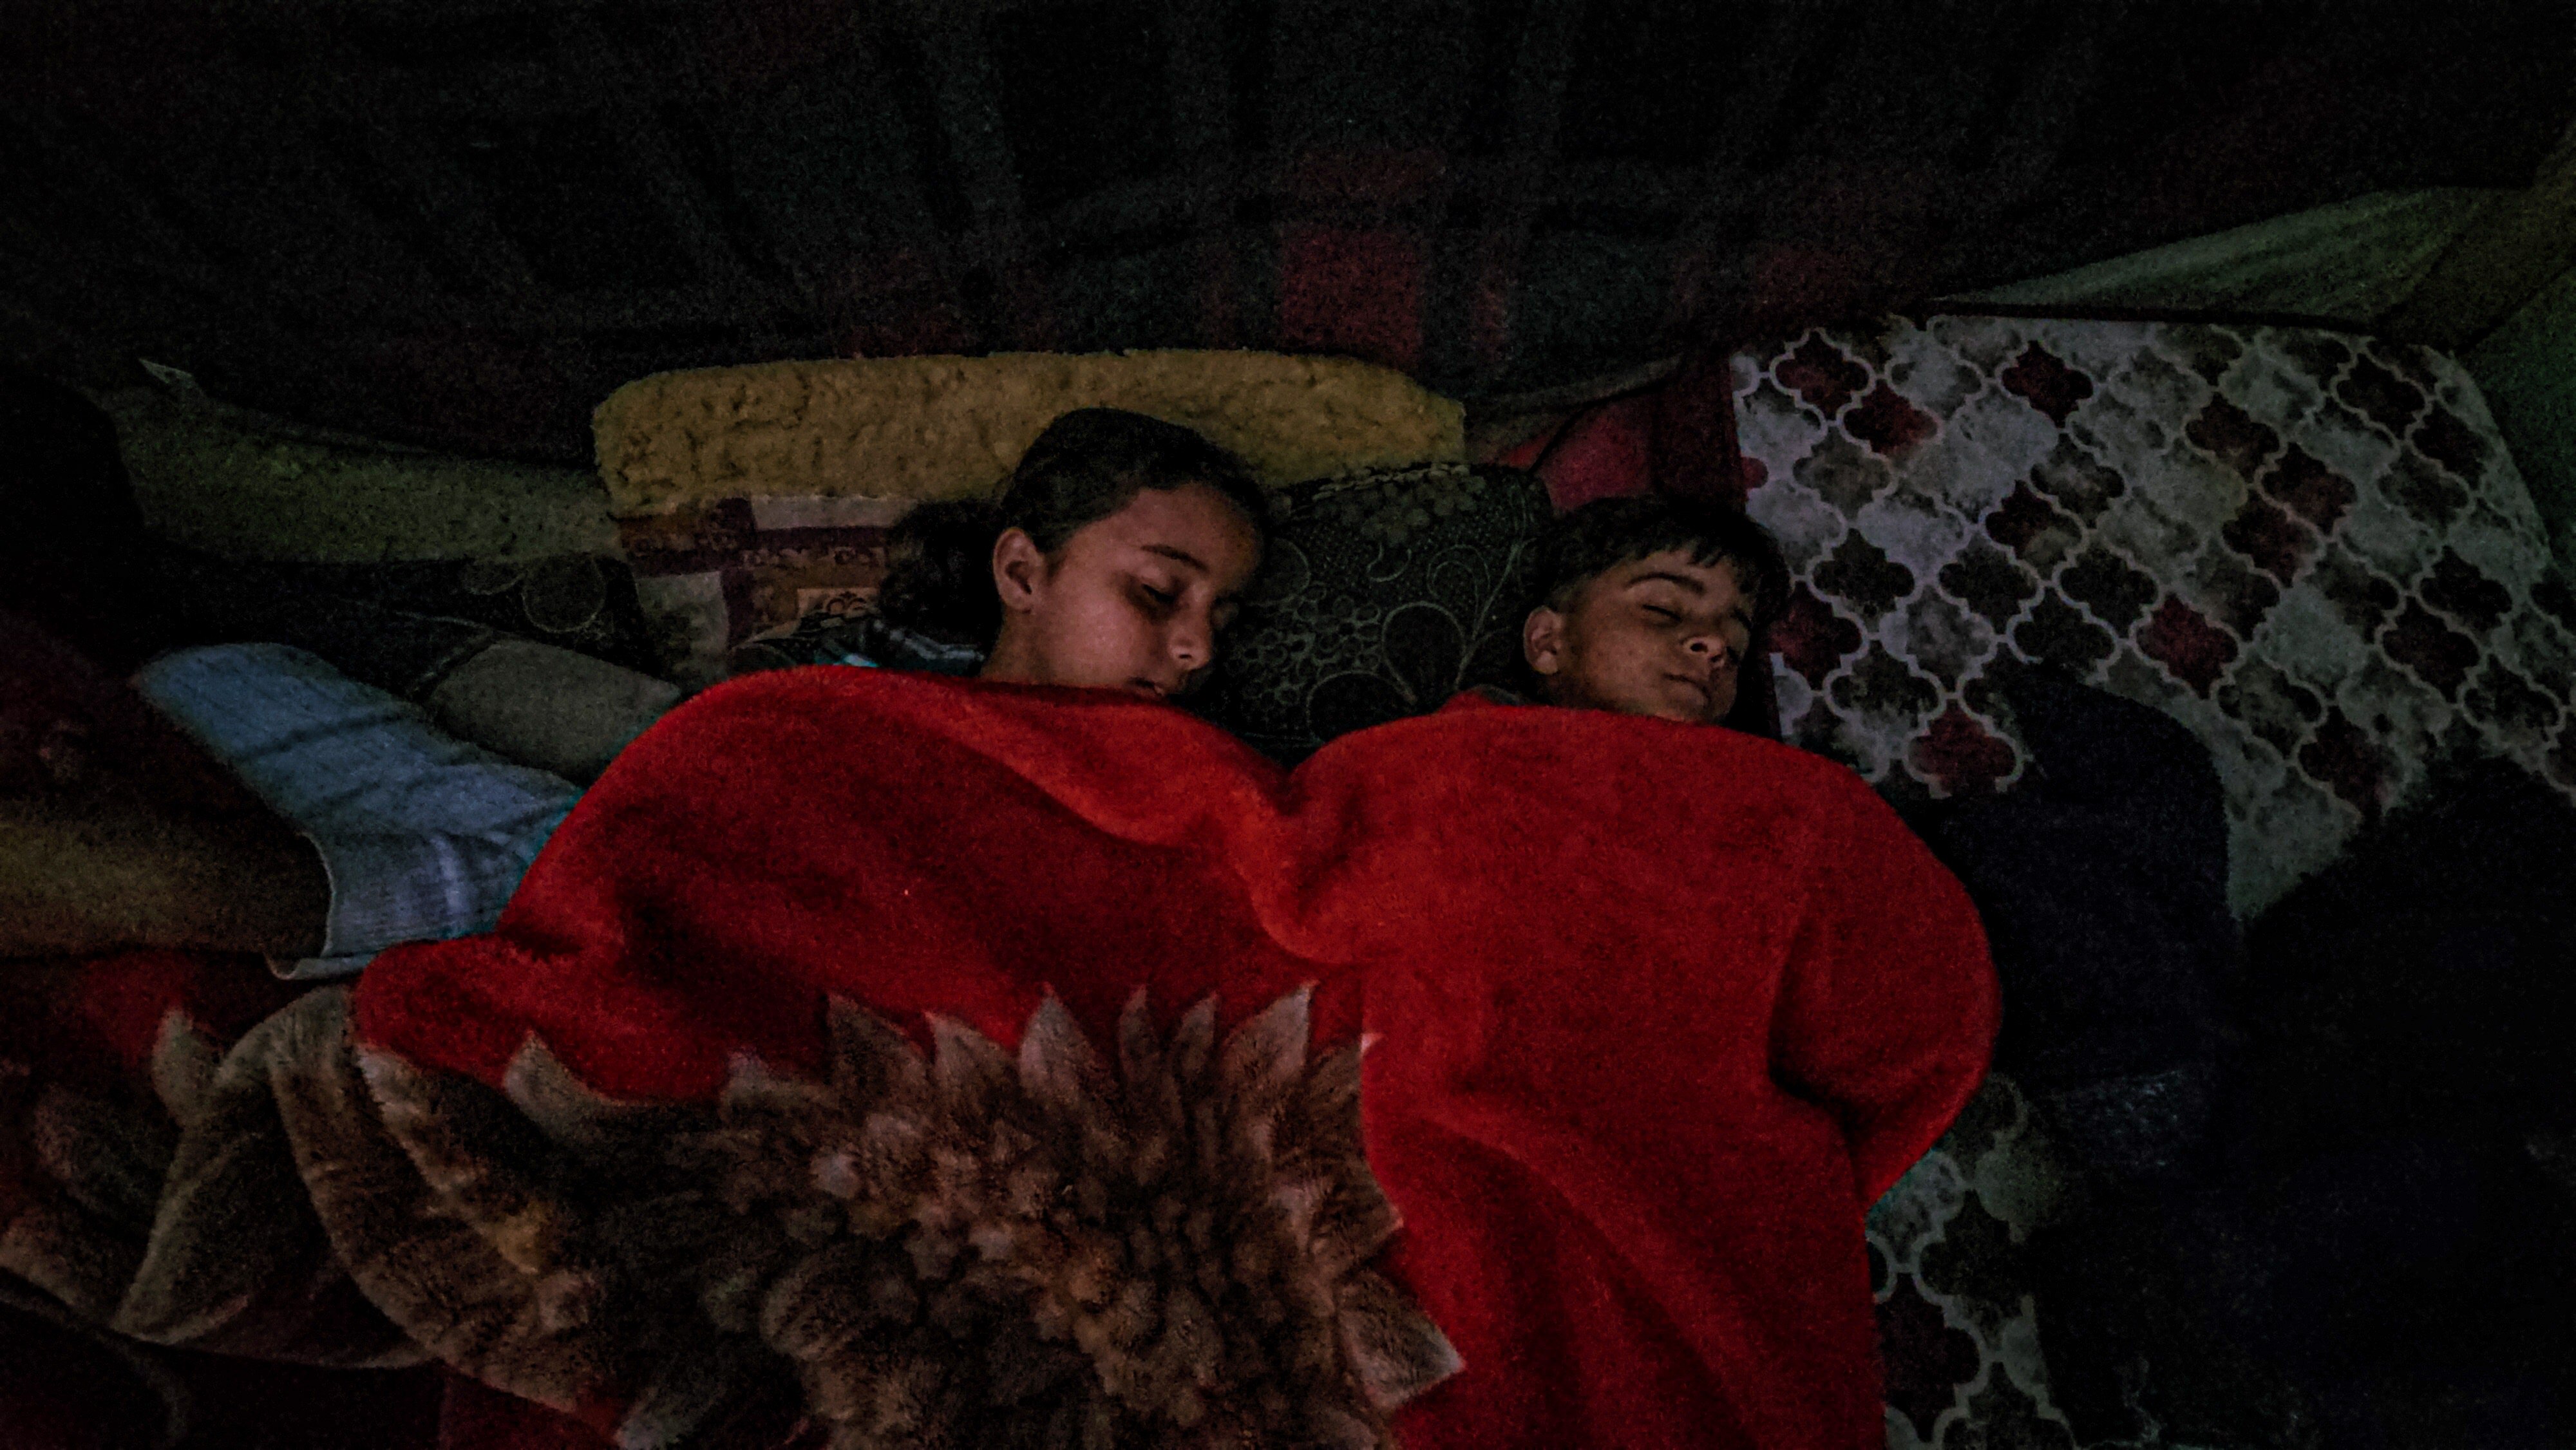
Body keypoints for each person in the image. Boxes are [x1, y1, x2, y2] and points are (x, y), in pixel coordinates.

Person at [1506, 492, 1788, 725]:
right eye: (1663, 610)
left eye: (1736, 647)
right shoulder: (1475, 748)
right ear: (1548, 643)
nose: (1716, 646)